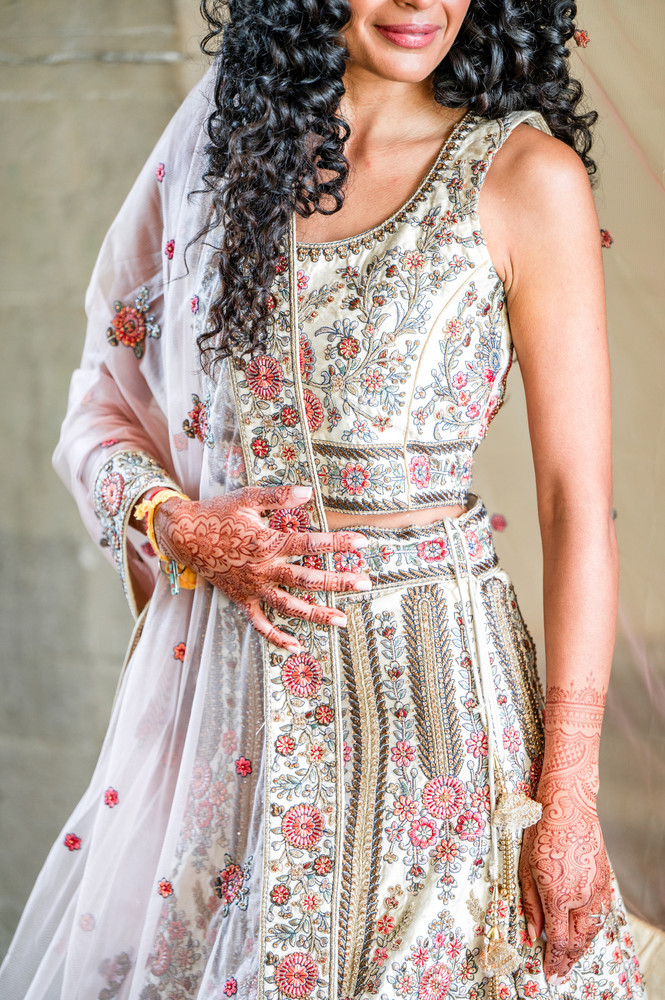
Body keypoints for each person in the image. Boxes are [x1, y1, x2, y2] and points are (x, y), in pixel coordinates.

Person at [0, 0, 648, 998]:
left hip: (436, 717)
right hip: (231, 712)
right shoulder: (224, 155)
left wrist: (566, 793)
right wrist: (180, 525)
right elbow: (100, 401)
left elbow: (574, 505)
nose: (420, 3)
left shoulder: (526, 178)